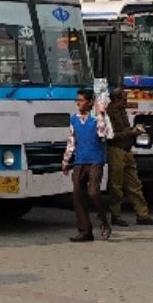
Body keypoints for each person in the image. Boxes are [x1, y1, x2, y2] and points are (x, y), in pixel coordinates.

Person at [61, 88, 111, 242]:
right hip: (80, 161)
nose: (78, 103)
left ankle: (103, 220)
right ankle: (85, 231)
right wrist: (66, 160)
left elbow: (102, 134)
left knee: (93, 193)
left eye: (81, 100)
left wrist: (101, 114)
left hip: (96, 160)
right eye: (77, 100)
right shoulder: (74, 119)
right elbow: (71, 141)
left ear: (90, 103)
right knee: (78, 196)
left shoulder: (98, 118)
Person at [106, 87, 153, 227]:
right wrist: (130, 133)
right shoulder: (108, 113)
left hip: (127, 150)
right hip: (116, 150)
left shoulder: (121, 111)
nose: (126, 102)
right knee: (116, 185)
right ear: (117, 100)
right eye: (124, 99)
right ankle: (115, 215)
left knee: (134, 184)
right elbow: (110, 136)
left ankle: (143, 215)